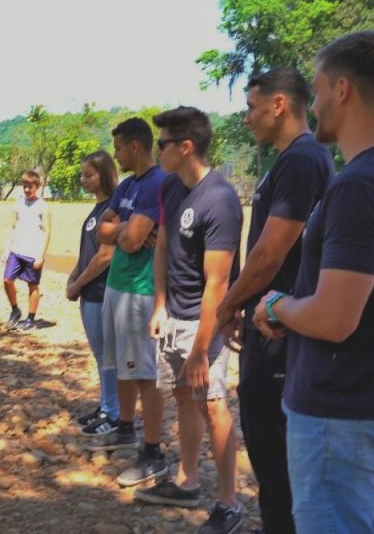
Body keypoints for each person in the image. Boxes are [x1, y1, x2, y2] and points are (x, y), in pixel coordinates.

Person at [252, 30, 374, 534]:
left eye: (317, 91)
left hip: (338, 407)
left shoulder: (360, 184)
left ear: (342, 90)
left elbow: (335, 318)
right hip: (373, 394)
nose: (314, 104)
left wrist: (276, 306)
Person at [213, 68, 333, 534]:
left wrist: (226, 305)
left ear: (279, 104)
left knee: (278, 451)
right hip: (269, 321)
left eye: (251, 106)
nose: (246, 117)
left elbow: (269, 253)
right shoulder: (289, 160)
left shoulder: (302, 161)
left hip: (282, 331)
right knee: (268, 448)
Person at [133, 107, 244, 534]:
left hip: (205, 323)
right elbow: (162, 247)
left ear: (185, 147)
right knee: (183, 396)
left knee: (214, 405)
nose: (157, 150)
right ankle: (187, 479)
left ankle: (229, 503)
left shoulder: (219, 199)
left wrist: (201, 347)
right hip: (173, 316)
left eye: (162, 143)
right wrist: (160, 303)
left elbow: (219, 282)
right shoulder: (172, 189)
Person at [87, 118, 167, 491]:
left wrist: (122, 231)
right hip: (118, 285)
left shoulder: (155, 182)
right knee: (120, 363)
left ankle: (153, 452)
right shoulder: (128, 186)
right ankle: (124, 427)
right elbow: (103, 229)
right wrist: (124, 229)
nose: (115, 154)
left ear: (135, 146)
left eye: (118, 147)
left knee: (144, 373)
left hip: (141, 288)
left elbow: (134, 241)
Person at [67, 151, 120, 436]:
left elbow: (104, 256)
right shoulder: (96, 210)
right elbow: (87, 253)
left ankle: (113, 413)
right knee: (101, 356)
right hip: (90, 293)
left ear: (104, 174)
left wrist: (78, 284)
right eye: (82, 175)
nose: (83, 179)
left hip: (102, 293)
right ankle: (105, 406)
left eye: (89, 175)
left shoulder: (112, 208)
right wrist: (74, 276)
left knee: (108, 356)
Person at [2, 169, 51, 332]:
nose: (27, 190)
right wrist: (6, 249)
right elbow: (12, 227)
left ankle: (30, 318)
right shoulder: (18, 204)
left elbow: (47, 232)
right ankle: (15, 310)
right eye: (24, 186)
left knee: (33, 285)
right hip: (16, 250)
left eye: (30, 186)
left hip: (33, 253)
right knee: (7, 280)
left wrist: (41, 255)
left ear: (37, 186)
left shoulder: (43, 206)